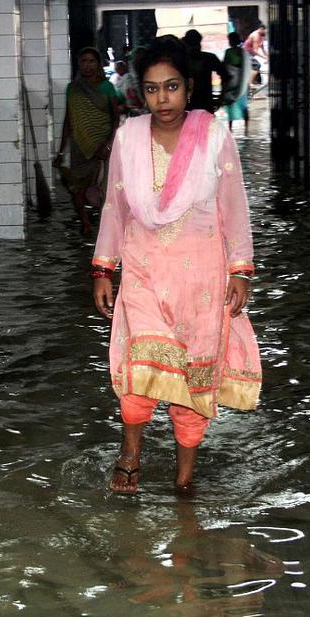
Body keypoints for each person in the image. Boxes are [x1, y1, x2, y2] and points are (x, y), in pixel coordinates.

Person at [90, 35, 262, 495]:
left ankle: (184, 480)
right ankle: (131, 454)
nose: (162, 99)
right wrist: (104, 269)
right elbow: (115, 208)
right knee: (140, 364)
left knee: (192, 373)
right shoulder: (128, 137)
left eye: (171, 87)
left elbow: (233, 207)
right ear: (140, 93)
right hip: (143, 270)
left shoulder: (213, 136)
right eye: (152, 89)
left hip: (200, 278)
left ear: (188, 87)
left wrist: (240, 271)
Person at [56, 47, 120, 235]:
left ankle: (105, 227)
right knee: (76, 188)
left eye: (92, 61)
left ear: (98, 64)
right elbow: (69, 120)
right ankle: (85, 224)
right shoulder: (73, 89)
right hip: (79, 147)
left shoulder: (107, 87)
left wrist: (109, 143)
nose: (88, 65)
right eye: (84, 61)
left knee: (104, 189)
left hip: (102, 147)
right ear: (79, 64)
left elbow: (116, 118)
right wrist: (61, 151)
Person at [182, 29, 229, 114]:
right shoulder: (209, 58)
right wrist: (221, 98)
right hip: (206, 103)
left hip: (187, 105)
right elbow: (225, 76)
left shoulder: (181, 61)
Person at [222, 32, 251, 132]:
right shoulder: (243, 52)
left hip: (233, 82)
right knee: (243, 105)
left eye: (230, 40)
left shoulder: (230, 52)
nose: (230, 42)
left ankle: (231, 129)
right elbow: (246, 69)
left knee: (233, 104)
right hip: (241, 83)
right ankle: (246, 129)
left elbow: (224, 66)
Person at [243, 23, 268, 88]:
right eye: (265, 31)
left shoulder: (262, 35)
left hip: (250, 54)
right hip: (246, 53)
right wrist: (264, 57)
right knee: (256, 65)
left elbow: (262, 47)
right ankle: (249, 84)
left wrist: (267, 55)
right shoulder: (255, 36)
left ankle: (254, 82)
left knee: (256, 67)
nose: (266, 32)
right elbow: (255, 51)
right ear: (262, 29)